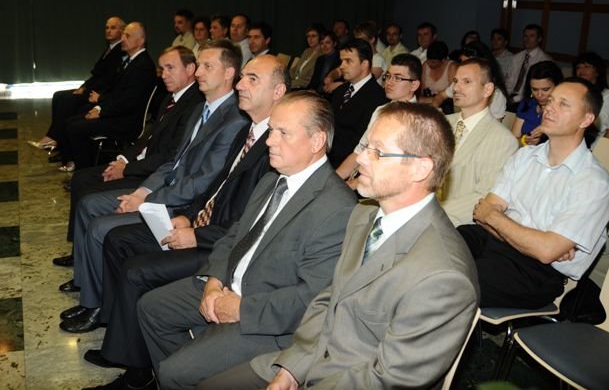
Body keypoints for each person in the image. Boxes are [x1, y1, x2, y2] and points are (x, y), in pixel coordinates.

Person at [200, 103, 479, 390]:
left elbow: (388, 378)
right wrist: (291, 370)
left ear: (421, 168)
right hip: (310, 361)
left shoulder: (444, 276)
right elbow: (329, 300)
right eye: (366, 147)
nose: (361, 159)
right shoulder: (364, 217)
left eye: (378, 152)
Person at [81, 55, 288, 390]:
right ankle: (124, 344)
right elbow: (213, 186)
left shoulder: (275, 148)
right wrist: (187, 215)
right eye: (242, 77)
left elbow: (250, 224)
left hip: (218, 243)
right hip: (203, 224)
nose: (239, 85)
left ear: (278, 92)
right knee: (120, 241)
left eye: (252, 79)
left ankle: (138, 372)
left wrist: (198, 234)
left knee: (136, 270)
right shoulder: (247, 131)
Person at [137, 92, 356, 389]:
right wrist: (214, 280)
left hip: (267, 320)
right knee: (150, 308)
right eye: (271, 130)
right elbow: (234, 235)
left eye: (283, 133)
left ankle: (187, 372)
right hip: (228, 285)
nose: (269, 141)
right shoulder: (272, 180)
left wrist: (241, 308)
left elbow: (311, 300)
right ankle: (193, 369)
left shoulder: (337, 208)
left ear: (316, 141)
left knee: (174, 372)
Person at [58, 40, 249, 332]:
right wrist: (142, 192)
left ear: (228, 73)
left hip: (184, 205)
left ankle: (98, 307)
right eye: (199, 65)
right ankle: (91, 295)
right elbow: (173, 162)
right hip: (165, 191)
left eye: (207, 66)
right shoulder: (201, 109)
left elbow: (203, 181)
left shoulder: (233, 119)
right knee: (90, 205)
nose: (198, 72)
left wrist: (148, 201)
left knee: (100, 229)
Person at [459, 78, 609, 309]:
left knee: (450, 283)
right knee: (434, 250)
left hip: (534, 272)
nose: (549, 107)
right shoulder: (525, 156)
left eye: (563, 104)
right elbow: (481, 215)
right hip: (489, 241)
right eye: (550, 101)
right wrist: (536, 241)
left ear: (586, 119)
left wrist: (496, 218)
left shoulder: (594, 181)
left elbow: (545, 252)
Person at [52, 46, 203, 267]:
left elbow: (169, 157)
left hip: (151, 173)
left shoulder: (194, 104)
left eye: (170, 68)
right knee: (81, 179)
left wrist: (127, 169)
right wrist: (122, 159)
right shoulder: (171, 97)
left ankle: (83, 257)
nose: (164, 75)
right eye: (162, 69)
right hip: (140, 164)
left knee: (87, 194)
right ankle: (80, 251)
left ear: (190, 69)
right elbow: (147, 136)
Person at [60, 21, 157, 172]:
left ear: (140, 41)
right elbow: (116, 92)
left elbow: (129, 101)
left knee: (75, 127)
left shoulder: (143, 66)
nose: (122, 39)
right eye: (123, 35)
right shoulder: (131, 61)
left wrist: (101, 112)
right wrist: (99, 108)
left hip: (127, 121)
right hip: (117, 114)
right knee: (71, 121)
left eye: (127, 36)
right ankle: (82, 166)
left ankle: (84, 172)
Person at [440, 59, 518, 226]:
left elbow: (485, 196)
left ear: (487, 89)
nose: (456, 88)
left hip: (457, 224)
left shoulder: (502, 140)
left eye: (466, 82)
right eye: (455, 81)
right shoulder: (441, 123)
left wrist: (433, 213)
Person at [30, 16, 126, 150]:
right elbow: (96, 74)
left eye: (113, 28)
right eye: (107, 27)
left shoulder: (119, 51)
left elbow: (106, 80)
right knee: (58, 95)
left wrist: (86, 90)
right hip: (92, 87)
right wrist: (83, 86)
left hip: (100, 92)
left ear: (122, 31)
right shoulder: (109, 49)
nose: (108, 31)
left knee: (67, 100)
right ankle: (55, 139)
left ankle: (53, 138)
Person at [336, 52, 421, 183]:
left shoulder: (418, 120)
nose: (389, 82)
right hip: (361, 176)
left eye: (397, 78)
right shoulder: (380, 110)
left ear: (414, 85)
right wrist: (333, 182)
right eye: (388, 76)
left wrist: (351, 185)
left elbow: (392, 169)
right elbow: (359, 151)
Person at [328, 39, 387, 168]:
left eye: (348, 61)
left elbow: (361, 142)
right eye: (341, 61)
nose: (342, 66)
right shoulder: (340, 90)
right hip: (327, 156)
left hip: (350, 163)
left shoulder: (378, 97)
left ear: (364, 64)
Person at [512, 60, 563, 146]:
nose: (539, 95)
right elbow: (513, 138)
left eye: (545, 89)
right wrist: (524, 141)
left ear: (558, 86)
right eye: (534, 89)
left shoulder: (563, 111)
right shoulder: (527, 104)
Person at [574, 51, 609, 141]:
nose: (581, 70)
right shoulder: (572, 92)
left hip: (594, 142)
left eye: (586, 66)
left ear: (597, 72)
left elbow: (602, 125)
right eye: (578, 67)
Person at [506, 23, 551, 106]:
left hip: (529, 100)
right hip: (510, 97)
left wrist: (514, 99)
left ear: (539, 39)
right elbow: (509, 81)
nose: (527, 39)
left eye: (531, 36)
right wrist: (505, 96)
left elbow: (537, 88)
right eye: (525, 36)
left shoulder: (544, 60)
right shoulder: (517, 57)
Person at [288, 23, 323, 90]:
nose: (310, 39)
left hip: (303, 87)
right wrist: (285, 77)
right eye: (308, 36)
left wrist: (291, 83)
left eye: (313, 36)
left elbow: (310, 80)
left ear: (320, 37)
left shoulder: (322, 55)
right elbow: (295, 69)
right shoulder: (307, 51)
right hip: (294, 82)